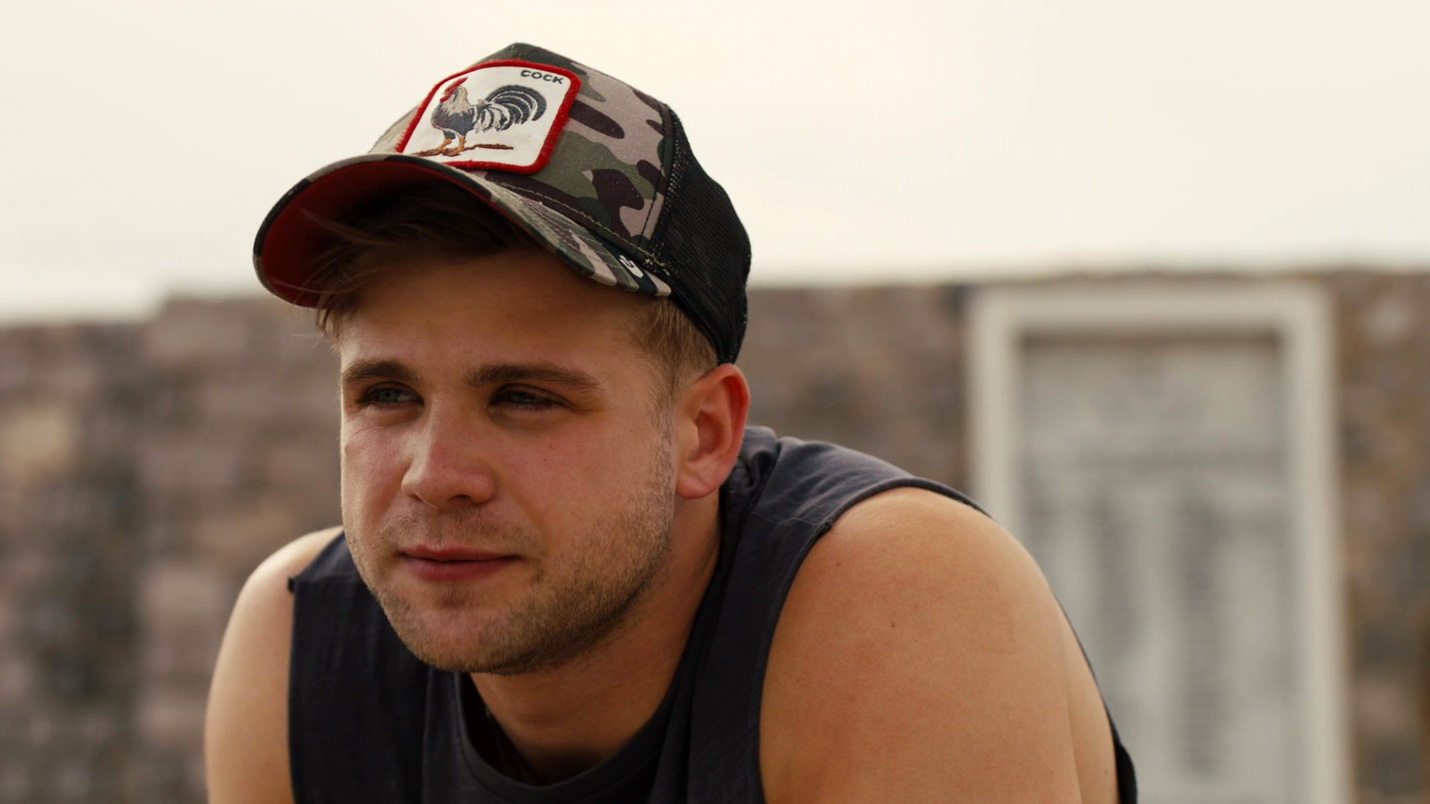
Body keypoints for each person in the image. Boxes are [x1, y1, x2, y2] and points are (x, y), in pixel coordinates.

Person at [205, 42, 1137, 803]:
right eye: (387, 395)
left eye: (524, 397)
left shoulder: (896, 604)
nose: (434, 474)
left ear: (704, 434)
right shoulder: (301, 651)